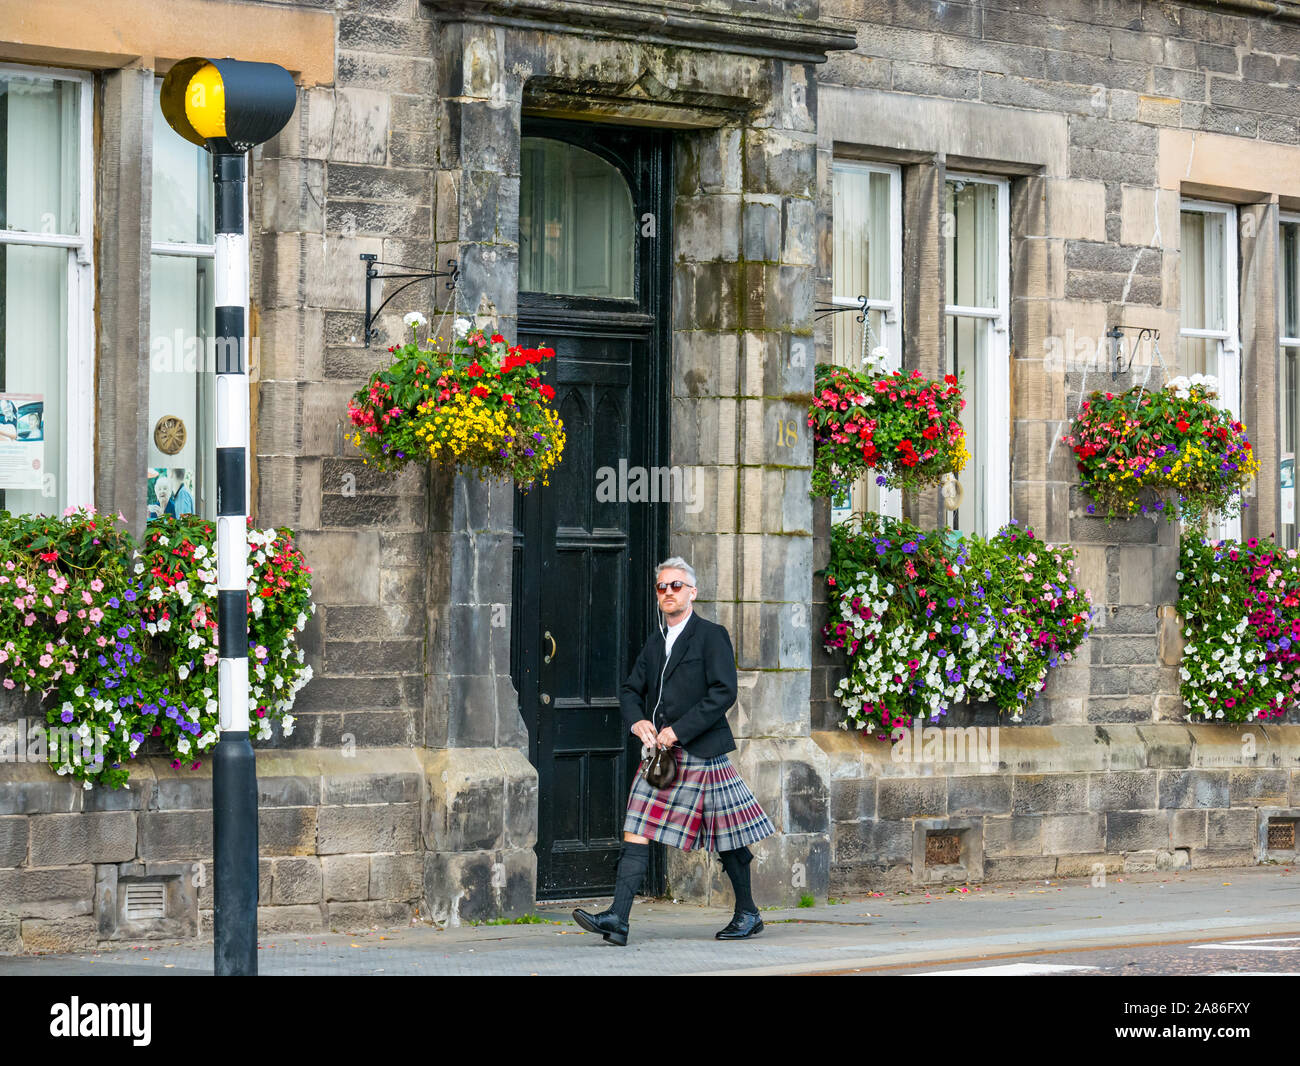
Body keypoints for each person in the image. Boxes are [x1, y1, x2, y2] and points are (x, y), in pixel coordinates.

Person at [572, 557, 775, 946]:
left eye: (676, 586)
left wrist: (677, 731)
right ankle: (618, 918)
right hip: (661, 758)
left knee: (727, 834)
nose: (668, 592)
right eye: (662, 587)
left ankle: (747, 912)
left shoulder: (711, 635)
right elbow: (632, 690)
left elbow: (723, 692)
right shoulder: (655, 642)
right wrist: (637, 722)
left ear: (692, 593)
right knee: (637, 824)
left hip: (701, 751)